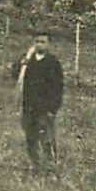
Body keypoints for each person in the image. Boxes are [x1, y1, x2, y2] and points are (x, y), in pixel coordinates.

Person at [13, 28, 64, 172]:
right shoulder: (28, 61)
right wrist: (20, 65)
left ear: (48, 44)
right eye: (37, 42)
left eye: (43, 42)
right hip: (29, 106)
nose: (39, 45)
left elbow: (58, 88)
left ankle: (50, 166)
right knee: (31, 137)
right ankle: (35, 164)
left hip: (45, 108)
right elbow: (16, 76)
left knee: (46, 138)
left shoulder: (53, 63)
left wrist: (53, 109)